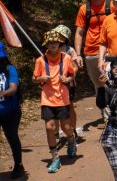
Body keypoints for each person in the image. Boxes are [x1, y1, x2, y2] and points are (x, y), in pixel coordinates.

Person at [34, 30, 77, 173]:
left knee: (66, 128)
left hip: (62, 97)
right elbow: (35, 78)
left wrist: (68, 79)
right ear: (46, 45)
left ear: (60, 43)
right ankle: (55, 158)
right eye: (50, 42)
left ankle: (71, 140)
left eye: (55, 42)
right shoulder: (40, 60)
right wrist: (40, 79)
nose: (53, 45)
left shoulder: (66, 58)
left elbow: (72, 73)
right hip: (47, 99)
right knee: (50, 128)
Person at [73, 0, 115, 122]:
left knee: (111, 81)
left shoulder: (111, 5)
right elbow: (79, 32)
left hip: (110, 51)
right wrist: (78, 54)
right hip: (90, 51)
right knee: (99, 85)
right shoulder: (84, 9)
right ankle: (105, 116)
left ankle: (114, 115)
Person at [0, 43, 23, 178]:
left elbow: (13, 88)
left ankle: (18, 164)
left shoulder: (10, 70)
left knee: (12, 137)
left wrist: (2, 93)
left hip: (10, 112)